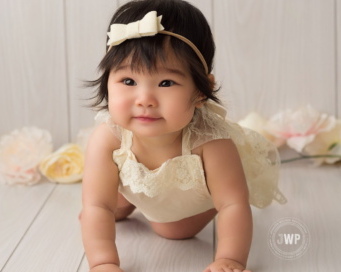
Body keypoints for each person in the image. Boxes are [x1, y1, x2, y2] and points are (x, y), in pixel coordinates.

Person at [79, 1, 286, 271]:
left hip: (184, 201)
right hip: (132, 190)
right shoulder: (108, 137)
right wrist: (102, 263)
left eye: (166, 83)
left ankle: (198, 207)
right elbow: (96, 205)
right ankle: (127, 204)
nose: (144, 100)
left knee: (172, 230)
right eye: (128, 81)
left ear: (201, 91)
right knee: (103, 207)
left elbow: (233, 205)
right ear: (107, 80)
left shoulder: (211, 143)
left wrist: (229, 259)